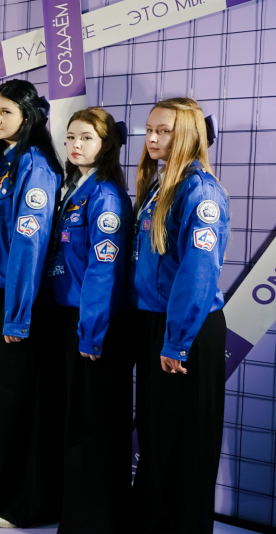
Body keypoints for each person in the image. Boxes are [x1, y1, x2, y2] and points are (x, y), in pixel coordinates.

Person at [130, 98, 228, 534]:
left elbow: (198, 272)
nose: (152, 138)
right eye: (149, 129)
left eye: (163, 131)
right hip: (158, 322)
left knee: (185, 445)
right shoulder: (161, 184)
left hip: (188, 329)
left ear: (187, 133)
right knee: (158, 438)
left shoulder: (200, 192)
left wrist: (178, 340)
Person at [0, 79, 64, 529]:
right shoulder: (5, 159)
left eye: (6, 112)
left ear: (28, 117)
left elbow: (28, 246)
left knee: (23, 407)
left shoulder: (34, 164)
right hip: (0, 298)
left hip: (25, 304)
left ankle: (24, 504)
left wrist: (17, 315)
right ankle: (3, 489)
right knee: (4, 405)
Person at [50, 108, 133, 533]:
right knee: (77, 421)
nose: (75, 145)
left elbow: (105, 270)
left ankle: (95, 519)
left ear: (106, 145)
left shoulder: (105, 196)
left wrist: (93, 333)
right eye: (70, 137)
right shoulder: (75, 188)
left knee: (94, 426)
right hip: (71, 317)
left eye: (86, 138)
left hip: (95, 325)